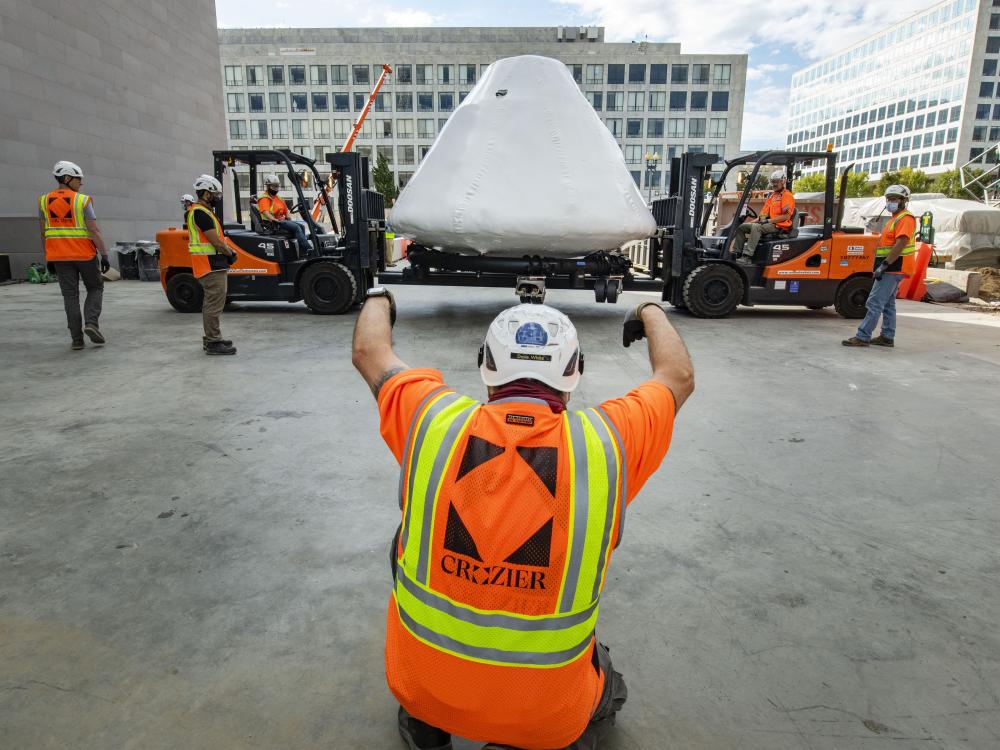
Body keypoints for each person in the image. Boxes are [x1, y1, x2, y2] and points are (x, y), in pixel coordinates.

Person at [352, 291, 695, 750]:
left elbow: (369, 351)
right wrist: (648, 310)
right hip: (545, 715)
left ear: (485, 367)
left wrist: (379, 297)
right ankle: (523, 738)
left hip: (420, 688)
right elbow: (678, 375)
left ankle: (426, 725)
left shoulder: (431, 420)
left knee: (408, 537)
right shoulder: (609, 443)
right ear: (574, 372)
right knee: (604, 675)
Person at [38, 160, 111, 350]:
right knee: (95, 287)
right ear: (67, 178)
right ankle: (91, 323)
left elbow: (43, 233)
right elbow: (94, 231)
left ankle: (77, 339)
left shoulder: (44, 201)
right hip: (84, 255)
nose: (81, 183)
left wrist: (48, 257)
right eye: (79, 179)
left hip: (59, 258)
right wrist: (104, 255)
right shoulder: (82, 200)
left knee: (70, 296)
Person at [842, 185, 916, 348]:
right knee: (888, 304)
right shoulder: (895, 219)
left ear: (904, 201)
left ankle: (863, 336)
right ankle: (887, 336)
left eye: (895, 199)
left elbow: (901, 243)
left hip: (893, 267)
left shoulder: (905, 219)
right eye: (889, 199)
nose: (891, 202)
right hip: (893, 267)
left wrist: (885, 265)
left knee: (874, 302)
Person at [187, 174, 238, 355]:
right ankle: (213, 342)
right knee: (213, 303)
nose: (218, 198)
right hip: (209, 264)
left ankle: (213, 338)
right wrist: (230, 252)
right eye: (215, 194)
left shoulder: (202, 212)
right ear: (207, 194)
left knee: (214, 302)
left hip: (212, 263)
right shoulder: (200, 212)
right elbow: (214, 240)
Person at [731, 170, 795, 263]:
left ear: (783, 181)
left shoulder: (787, 196)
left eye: (776, 181)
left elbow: (786, 216)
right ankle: (737, 253)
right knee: (742, 227)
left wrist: (769, 221)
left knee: (757, 227)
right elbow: (762, 217)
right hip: (769, 223)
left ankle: (747, 256)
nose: (774, 184)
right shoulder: (772, 197)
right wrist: (750, 223)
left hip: (779, 225)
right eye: (772, 182)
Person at [257, 175, 312, 254]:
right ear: (268, 186)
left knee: (302, 226)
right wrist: (275, 220)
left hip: (282, 221)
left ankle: (303, 253)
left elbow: (286, 210)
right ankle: (308, 249)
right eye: (273, 186)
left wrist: (289, 218)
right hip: (273, 224)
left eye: (277, 186)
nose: (276, 189)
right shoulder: (264, 198)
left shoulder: (278, 198)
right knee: (296, 227)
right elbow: (266, 212)